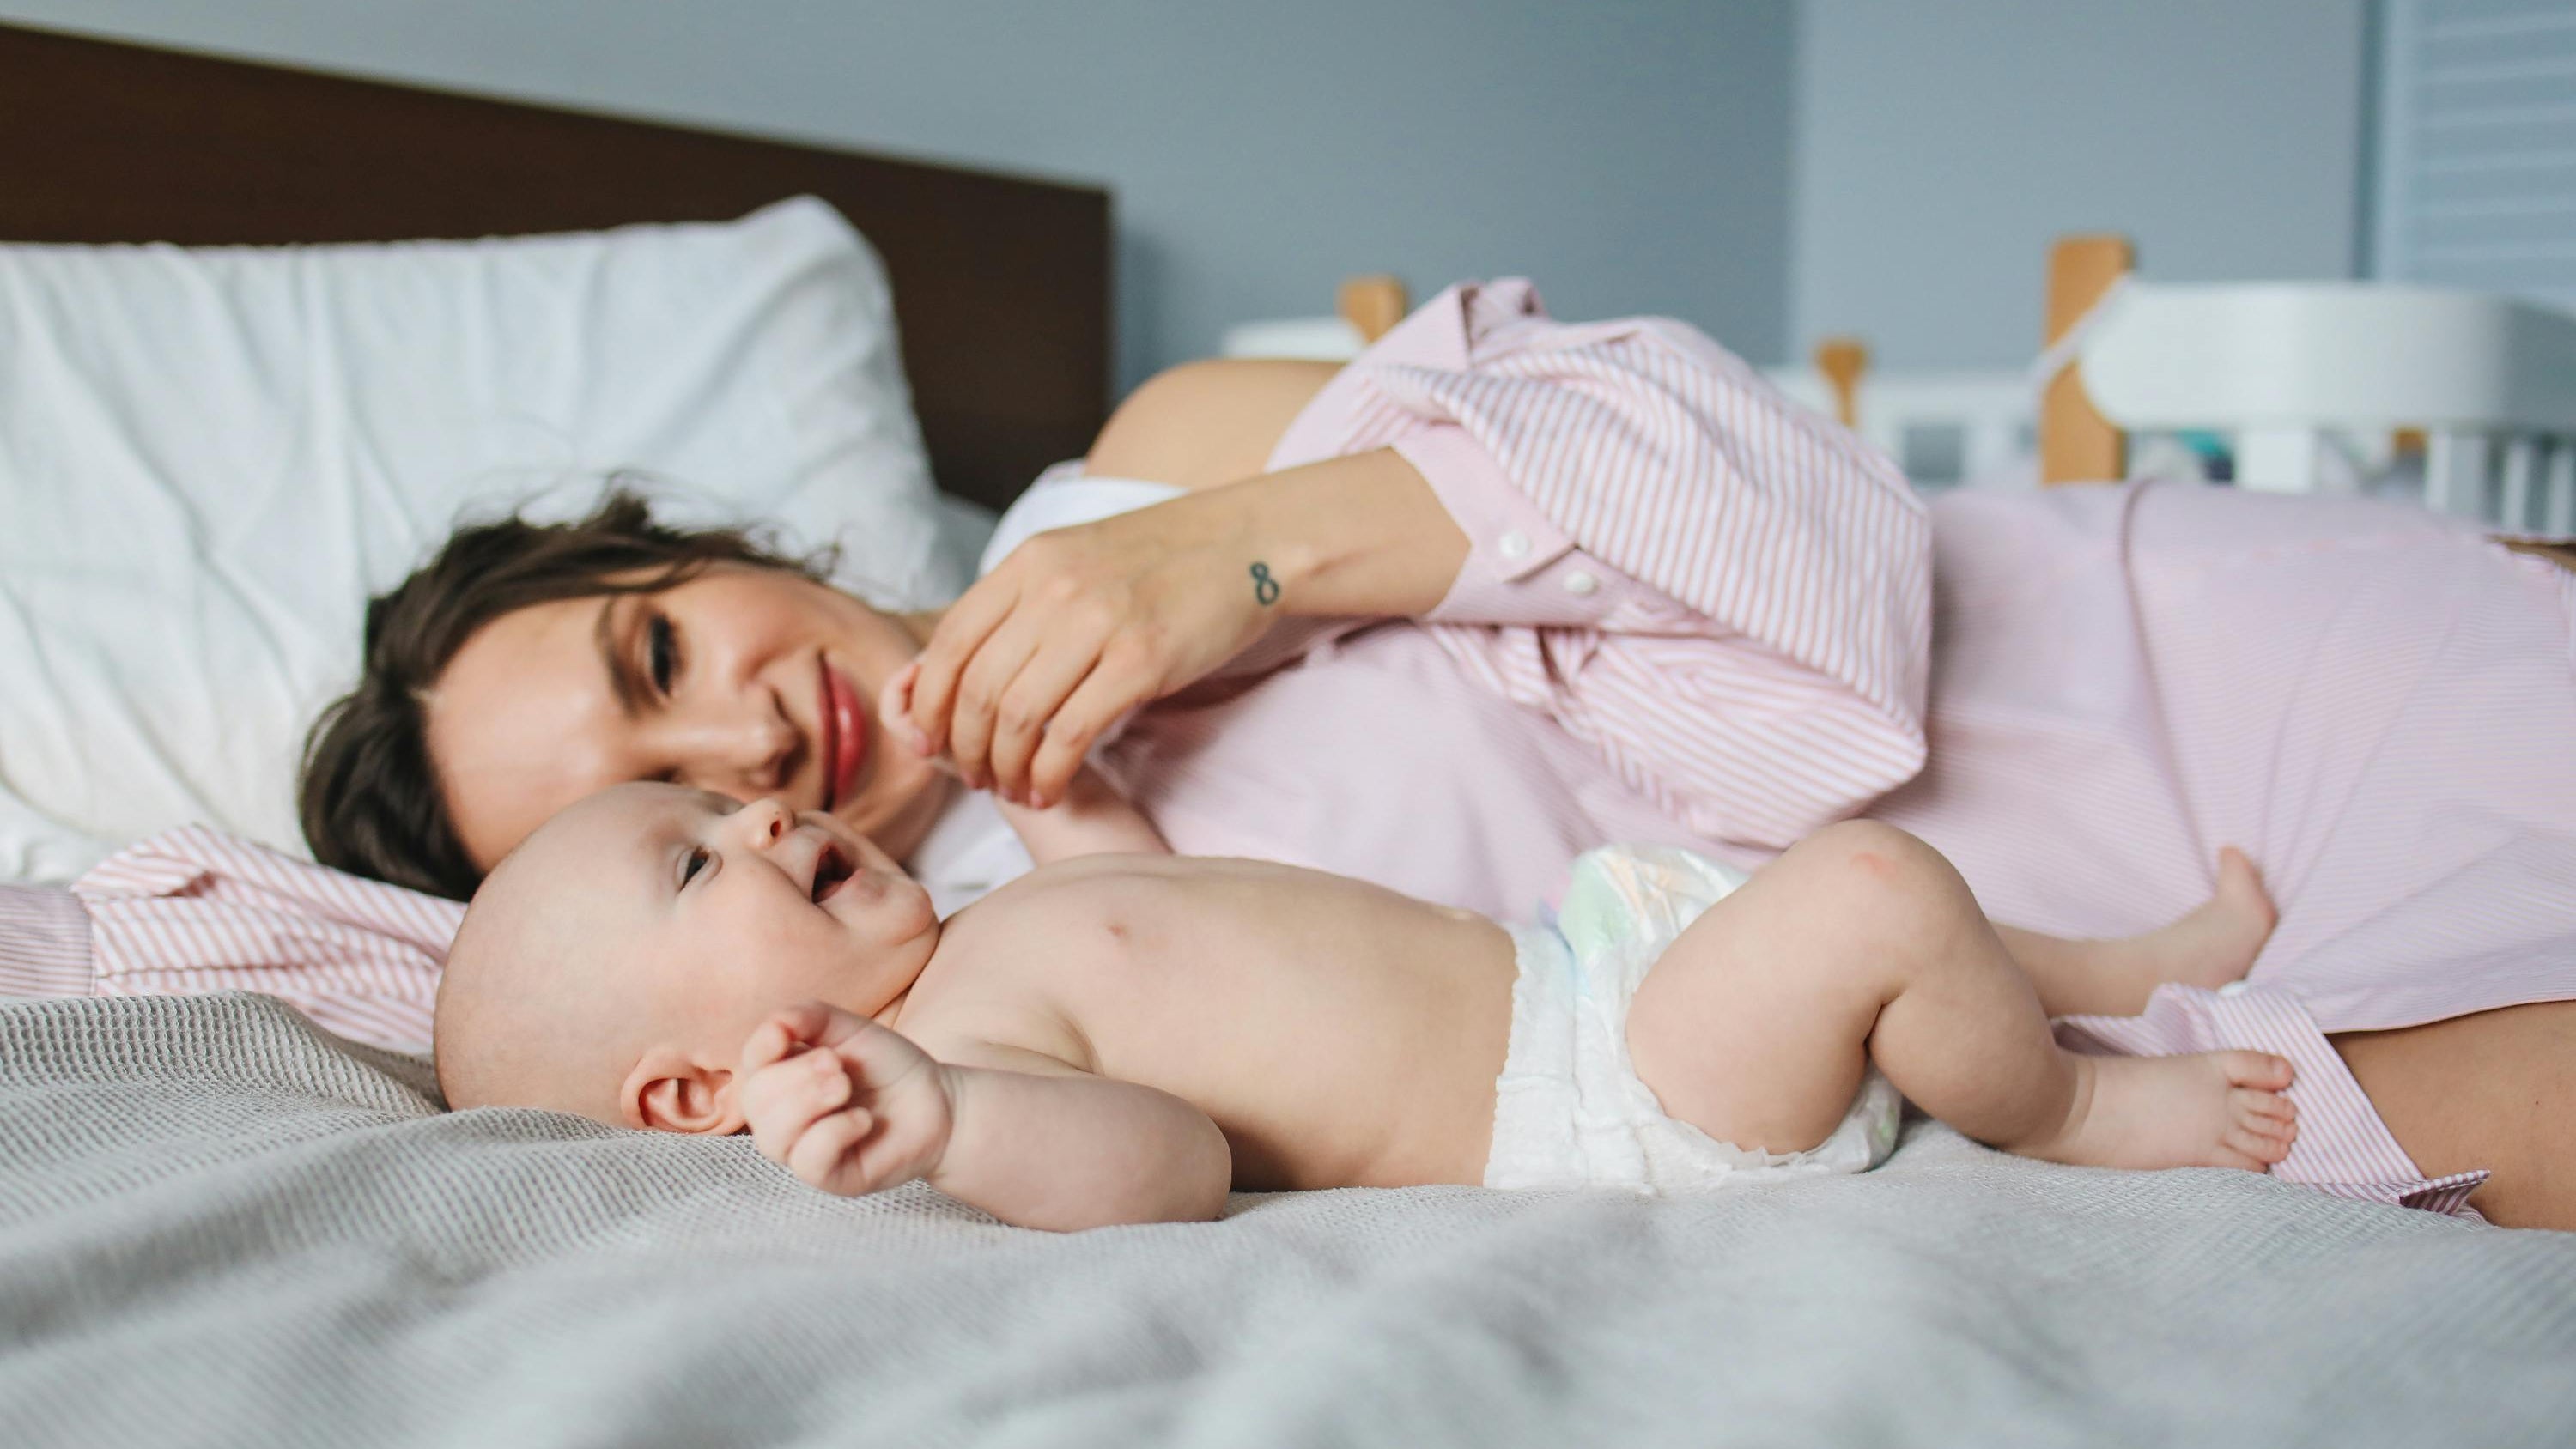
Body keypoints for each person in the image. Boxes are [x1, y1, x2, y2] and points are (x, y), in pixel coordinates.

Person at [303, 281, 2576, 1228]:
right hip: (1935, 1003)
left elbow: (1800, 530)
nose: (745, 744)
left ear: (718, 551)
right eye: (647, 818)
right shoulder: (997, 987)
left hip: (2090, 682)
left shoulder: (1147, 473)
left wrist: (1247, 561)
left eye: (663, 649)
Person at [434, 768, 2295, 1228]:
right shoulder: (956, 1049)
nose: (754, 807)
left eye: (712, 800)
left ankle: (2125, 970)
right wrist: (945, 1123)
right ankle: (2070, 1104)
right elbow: (1165, 1159)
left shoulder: (994, 922)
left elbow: (1145, 890)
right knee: (1872, 892)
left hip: (1587, 961)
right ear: (690, 1095)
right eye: (694, 862)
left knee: (1825, 879)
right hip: (1607, 1103)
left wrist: (1055, 773)